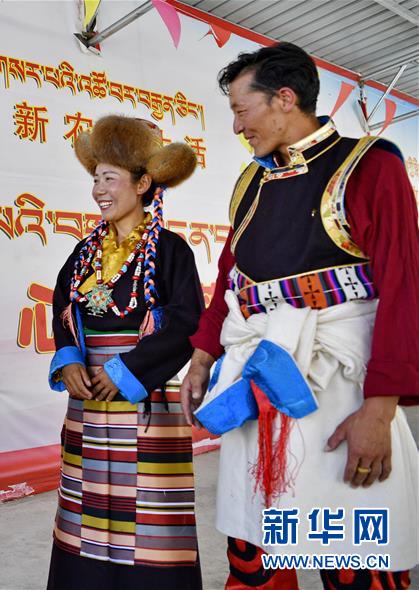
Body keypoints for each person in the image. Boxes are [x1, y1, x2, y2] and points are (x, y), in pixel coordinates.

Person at [180, 42, 419, 589]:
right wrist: (201, 357)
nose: (237, 126)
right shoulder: (250, 183)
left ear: (284, 99)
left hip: (340, 393)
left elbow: (405, 288)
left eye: (242, 110)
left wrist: (379, 412)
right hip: (256, 388)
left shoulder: (369, 166)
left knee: (354, 554)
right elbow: (231, 281)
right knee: (257, 552)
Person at [47, 115, 203, 589]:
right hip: (90, 403)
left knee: (153, 516)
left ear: (142, 183)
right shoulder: (83, 255)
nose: (99, 190)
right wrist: (70, 360)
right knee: (84, 510)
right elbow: (62, 309)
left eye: (110, 178)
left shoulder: (171, 252)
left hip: (146, 400)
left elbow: (186, 323)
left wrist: (127, 370)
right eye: (96, 178)